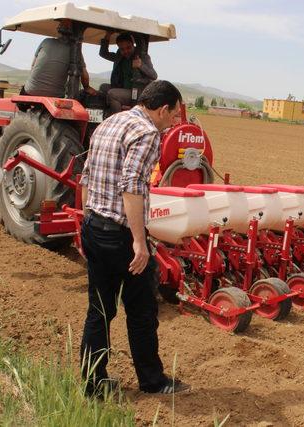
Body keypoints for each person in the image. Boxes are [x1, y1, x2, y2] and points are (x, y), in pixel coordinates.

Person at [79, 80, 188, 396]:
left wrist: (87, 221)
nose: (173, 124)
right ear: (162, 108)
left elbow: (86, 175)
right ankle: (152, 381)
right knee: (142, 311)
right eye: (173, 117)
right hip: (121, 237)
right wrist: (139, 243)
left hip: (95, 227)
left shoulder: (112, 122)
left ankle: (94, 384)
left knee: (99, 309)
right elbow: (132, 187)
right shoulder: (147, 133)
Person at [23, 19, 96, 98]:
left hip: (31, 90)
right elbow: (84, 75)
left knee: (21, 104)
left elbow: (33, 65)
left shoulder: (46, 41)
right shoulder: (75, 51)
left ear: (59, 29)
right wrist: (87, 87)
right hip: (55, 95)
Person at [99, 31, 158, 113]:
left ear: (133, 44)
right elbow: (103, 53)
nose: (126, 51)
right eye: (122, 49)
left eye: (128, 47)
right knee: (103, 87)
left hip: (136, 92)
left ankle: (118, 121)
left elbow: (154, 75)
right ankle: (106, 113)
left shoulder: (142, 56)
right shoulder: (120, 56)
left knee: (112, 94)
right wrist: (108, 35)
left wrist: (141, 65)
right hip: (123, 88)